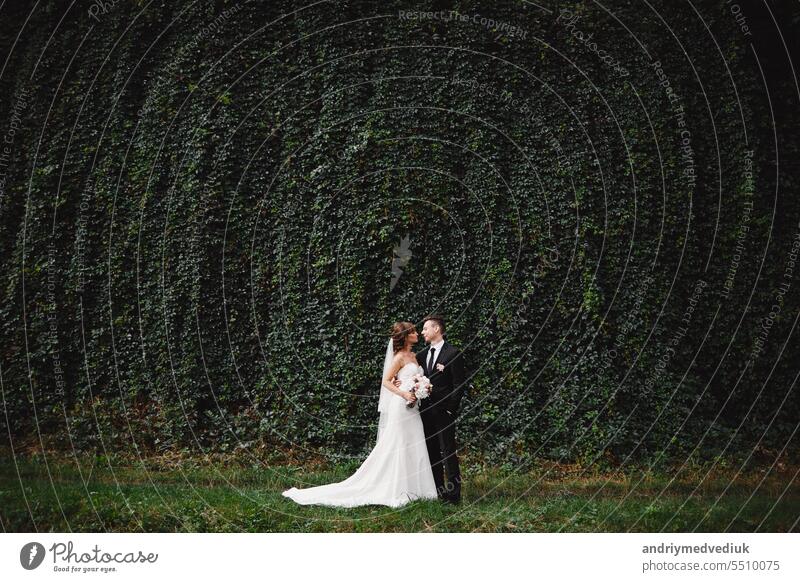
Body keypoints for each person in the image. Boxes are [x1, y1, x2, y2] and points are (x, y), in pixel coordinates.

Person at [282, 321, 438, 508]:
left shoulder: (414, 355)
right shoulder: (398, 357)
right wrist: (404, 393)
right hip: (401, 405)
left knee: (414, 443)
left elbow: (413, 377)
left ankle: (419, 490)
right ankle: (397, 488)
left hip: (413, 407)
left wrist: (421, 387)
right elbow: (386, 382)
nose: (417, 334)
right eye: (413, 331)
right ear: (405, 336)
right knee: (399, 444)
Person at [410, 314, 467, 504]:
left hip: (444, 412)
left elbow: (459, 384)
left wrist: (451, 409)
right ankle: (438, 490)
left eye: (425, 328)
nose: (423, 332)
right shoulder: (422, 355)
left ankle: (453, 496)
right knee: (432, 451)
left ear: (436, 329)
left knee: (448, 451)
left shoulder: (453, 353)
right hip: (425, 412)